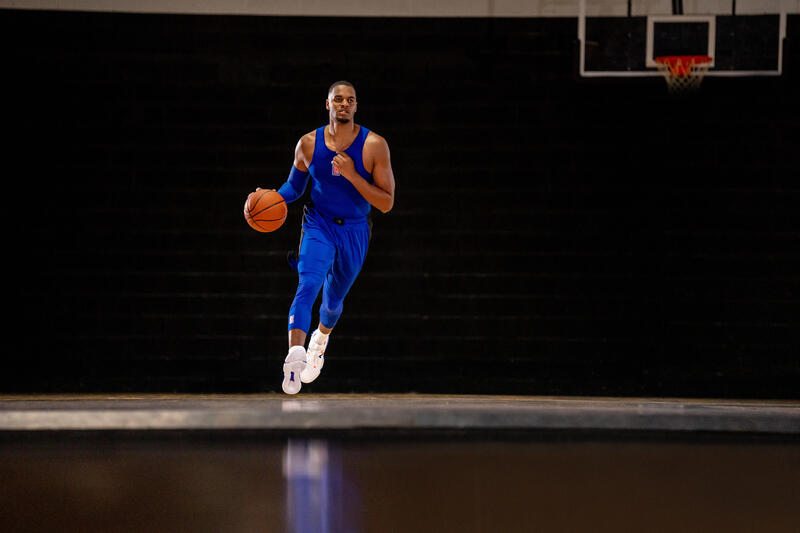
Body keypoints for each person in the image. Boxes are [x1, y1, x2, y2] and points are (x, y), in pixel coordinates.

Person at [270, 80, 395, 394]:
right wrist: (270, 197)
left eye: (350, 100)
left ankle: (319, 339)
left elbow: (386, 202)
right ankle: (293, 359)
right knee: (308, 281)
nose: (344, 104)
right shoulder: (308, 145)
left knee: (333, 301)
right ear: (327, 104)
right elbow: (294, 189)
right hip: (319, 223)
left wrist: (352, 174)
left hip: (354, 229)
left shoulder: (373, 145)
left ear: (355, 107)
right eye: (338, 99)